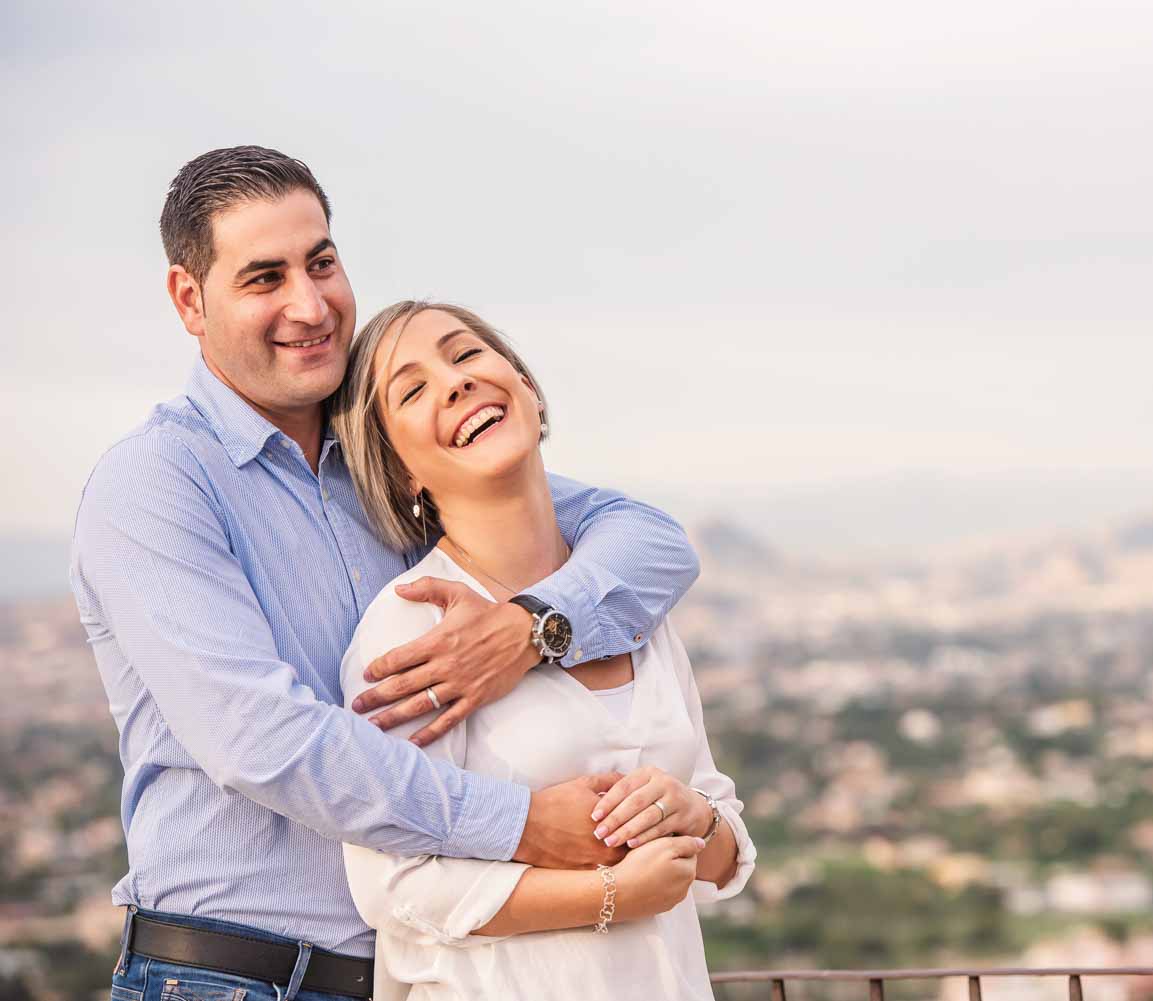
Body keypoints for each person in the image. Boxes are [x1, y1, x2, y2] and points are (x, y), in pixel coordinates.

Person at [72, 146, 701, 1001]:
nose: (310, 303)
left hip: (404, 973)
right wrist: (521, 826)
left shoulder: (392, 465)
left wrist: (532, 627)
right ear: (191, 299)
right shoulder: (156, 481)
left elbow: (650, 540)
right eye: (264, 278)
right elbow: (267, 742)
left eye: (321, 262)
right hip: (227, 976)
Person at [330, 300, 753, 1000]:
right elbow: (392, 885)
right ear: (401, 469)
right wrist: (609, 892)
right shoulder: (410, 628)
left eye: (465, 355)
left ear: (523, 382)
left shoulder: (625, 604)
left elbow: (724, 838)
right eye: (412, 389)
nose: (455, 382)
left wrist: (693, 817)